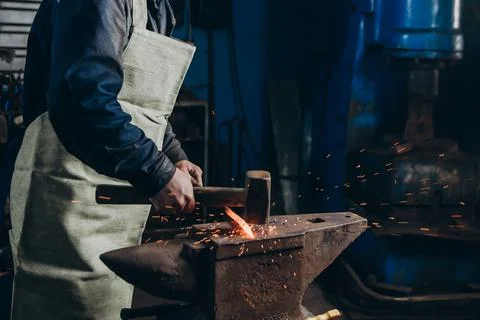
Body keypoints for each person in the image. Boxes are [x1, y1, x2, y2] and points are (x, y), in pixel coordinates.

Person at [9, 0, 202, 319]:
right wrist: (156, 172)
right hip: (65, 195)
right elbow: (83, 104)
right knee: (64, 306)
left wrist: (173, 155)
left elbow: (140, 101)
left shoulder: (158, 7)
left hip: (115, 202)